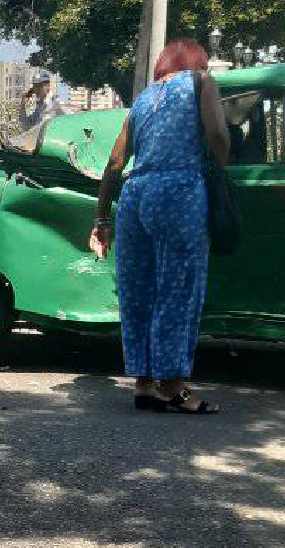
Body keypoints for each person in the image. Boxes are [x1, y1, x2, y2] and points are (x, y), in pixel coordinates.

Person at [90, 38, 228, 414]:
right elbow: (217, 134)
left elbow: (116, 161)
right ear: (197, 62)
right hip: (180, 191)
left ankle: (144, 385)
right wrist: (221, 172)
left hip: (135, 195)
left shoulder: (144, 99)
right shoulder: (202, 83)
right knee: (177, 287)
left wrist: (102, 217)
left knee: (139, 290)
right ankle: (173, 386)